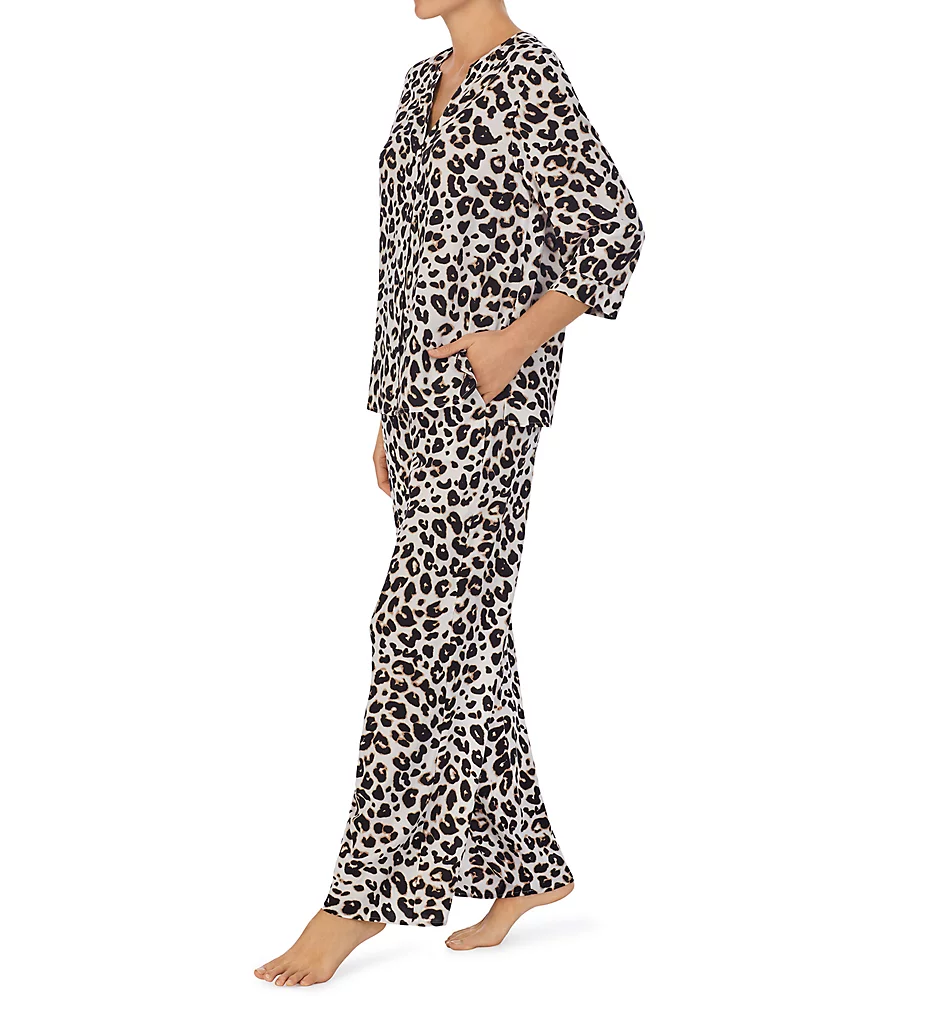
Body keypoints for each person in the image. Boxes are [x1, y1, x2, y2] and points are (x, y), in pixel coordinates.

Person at [255, 0, 643, 987]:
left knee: (414, 625)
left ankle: (359, 896)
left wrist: (510, 345)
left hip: (486, 408)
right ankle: (527, 868)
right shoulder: (413, 85)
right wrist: (387, 407)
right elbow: (400, 259)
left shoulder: (530, 77)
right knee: (467, 631)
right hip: (417, 407)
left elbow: (612, 232)